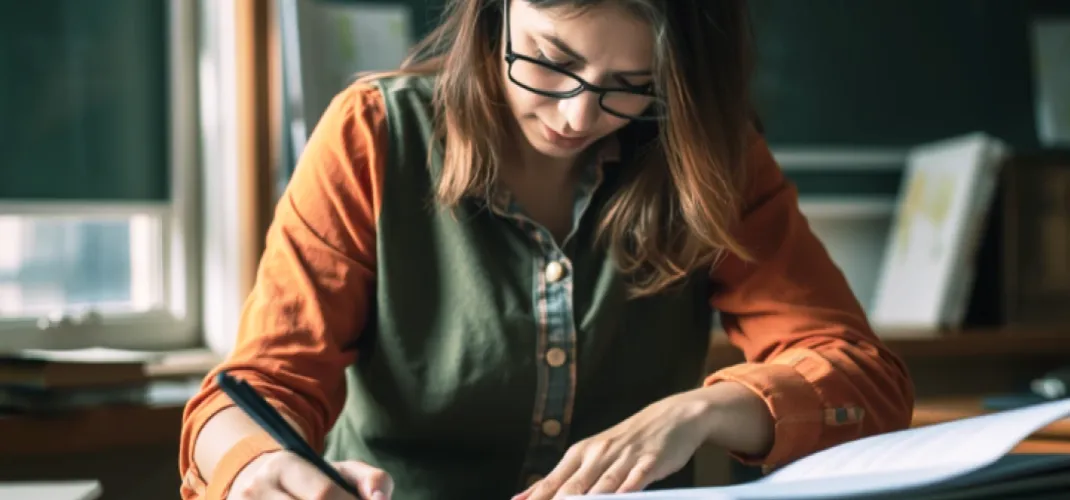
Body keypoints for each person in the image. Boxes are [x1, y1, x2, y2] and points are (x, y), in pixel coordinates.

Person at [179, 0, 915, 498]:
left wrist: (704, 411)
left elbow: (864, 382)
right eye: (550, 59)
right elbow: (253, 393)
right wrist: (262, 467)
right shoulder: (373, 135)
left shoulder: (706, 154)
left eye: (633, 85)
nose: (579, 115)